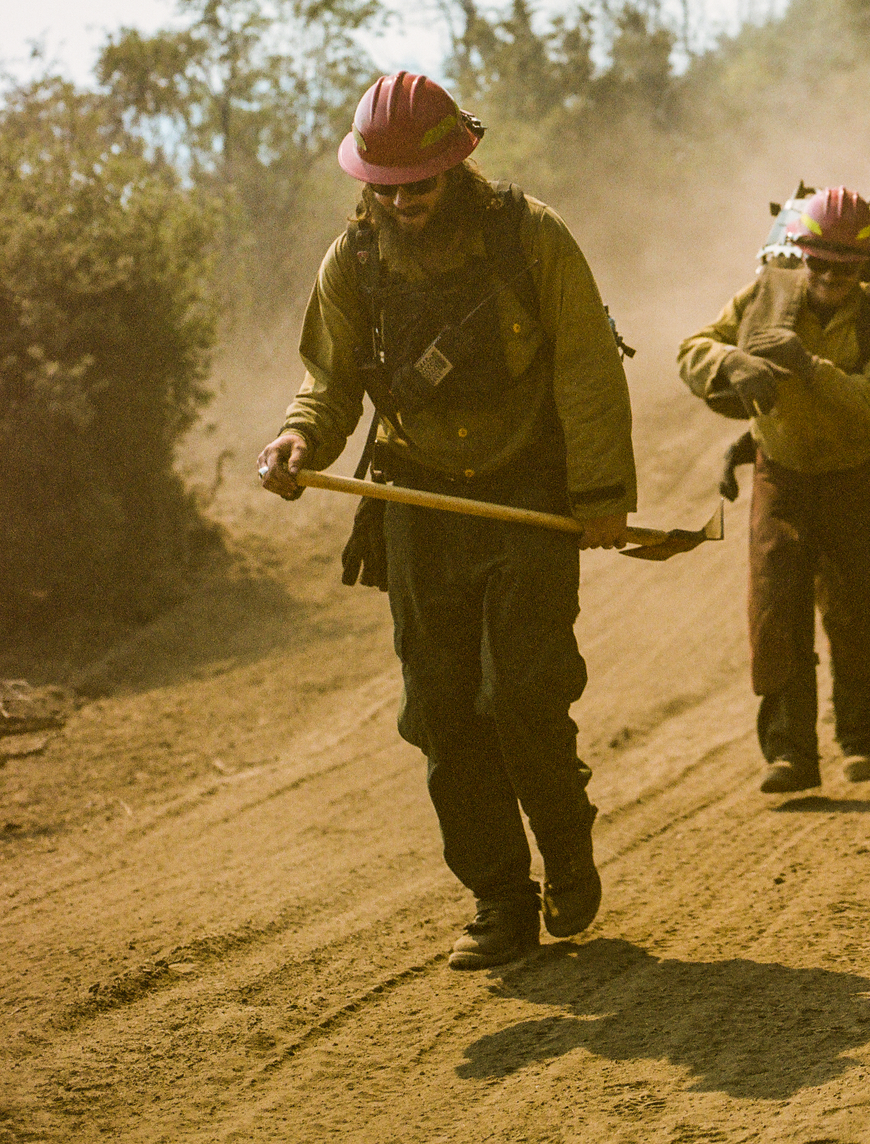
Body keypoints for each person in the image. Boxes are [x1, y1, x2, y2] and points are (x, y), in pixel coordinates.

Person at [256, 72, 644, 972]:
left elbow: (588, 363)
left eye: (419, 185)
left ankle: (567, 846)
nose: (403, 202)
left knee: (522, 693)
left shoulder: (532, 237)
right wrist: (297, 437)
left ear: (457, 165)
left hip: (527, 496)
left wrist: (600, 496)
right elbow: (329, 380)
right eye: (386, 188)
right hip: (419, 503)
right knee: (441, 710)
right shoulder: (351, 262)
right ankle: (499, 898)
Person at [677, 188, 870, 794]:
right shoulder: (765, 295)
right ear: (801, 254)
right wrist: (730, 365)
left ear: (866, 267)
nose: (830, 278)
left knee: (859, 612)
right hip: (781, 476)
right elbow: (693, 349)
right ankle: (790, 755)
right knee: (775, 611)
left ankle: (860, 739)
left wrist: (808, 366)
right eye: (819, 263)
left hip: (858, 478)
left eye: (845, 268)